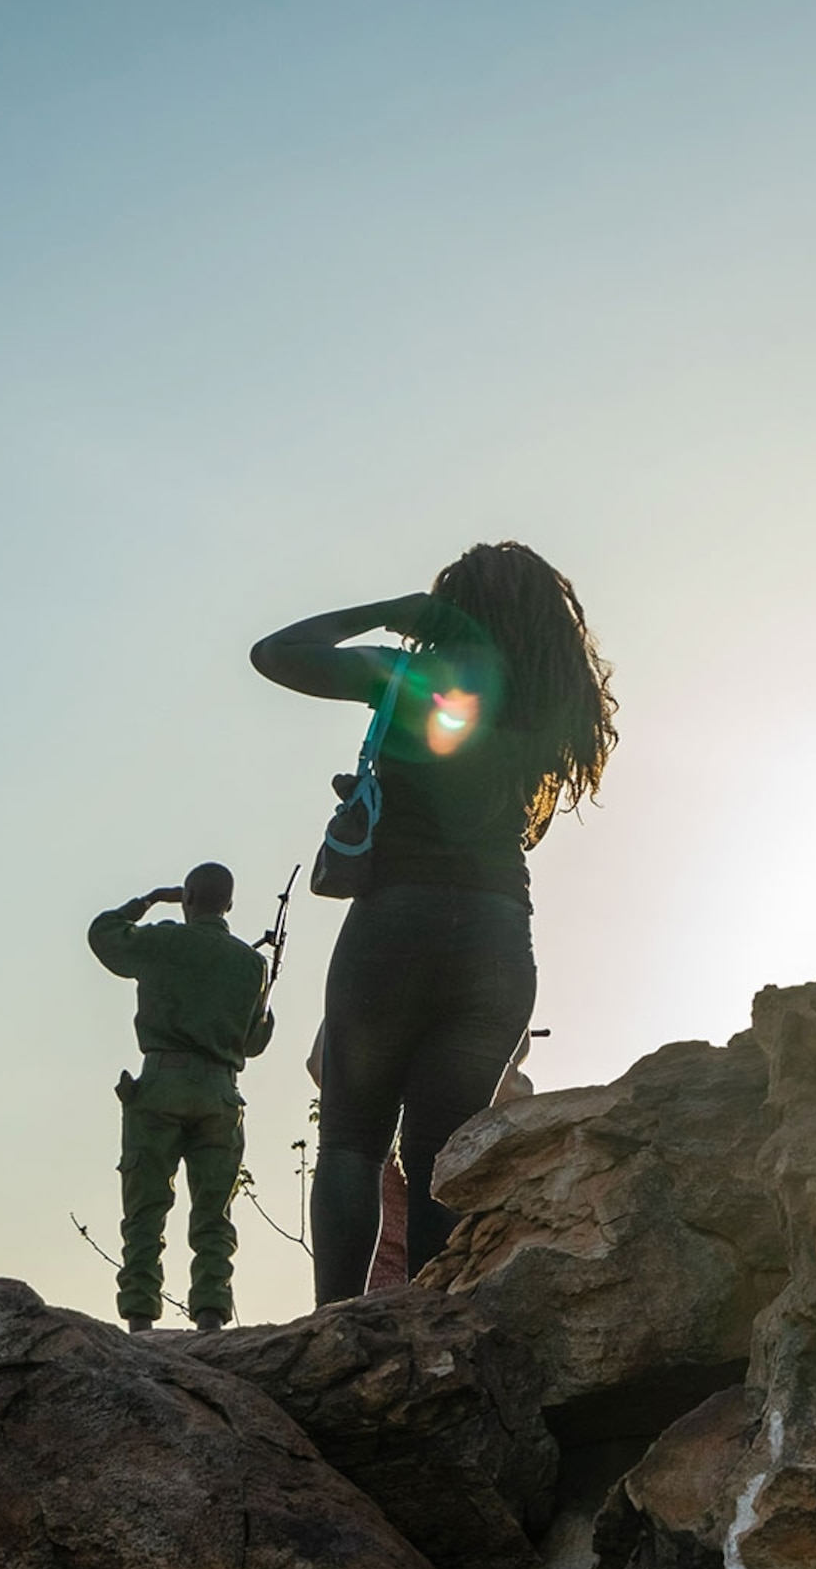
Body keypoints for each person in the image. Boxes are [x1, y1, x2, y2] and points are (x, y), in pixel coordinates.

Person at [251, 542, 616, 1301]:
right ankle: (431, 1330)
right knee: (442, 1159)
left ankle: (337, 1330)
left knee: (352, 1141)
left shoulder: (410, 675)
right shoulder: (556, 702)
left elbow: (276, 653)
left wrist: (390, 613)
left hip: (396, 920)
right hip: (497, 935)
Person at [87, 862, 273, 1333]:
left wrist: (148, 899)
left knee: (145, 1209)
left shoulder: (162, 941)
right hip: (220, 1096)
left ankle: (140, 1321)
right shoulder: (251, 964)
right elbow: (253, 1043)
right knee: (214, 1217)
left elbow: (103, 933)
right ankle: (210, 1318)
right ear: (229, 904)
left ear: (187, 898)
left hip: (161, 1086)